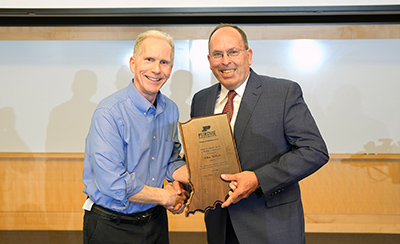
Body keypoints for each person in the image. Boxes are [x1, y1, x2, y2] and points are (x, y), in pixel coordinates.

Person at [190, 24, 329, 244]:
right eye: (218, 54)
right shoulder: (201, 100)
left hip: (272, 227)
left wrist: (258, 179)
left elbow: (315, 151)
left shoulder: (283, 93)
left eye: (233, 52)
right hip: (221, 227)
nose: (225, 61)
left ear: (248, 55)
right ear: (209, 60)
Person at [82, 30, 189, 244]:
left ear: (170, 69)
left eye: (164, 62)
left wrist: (194, 180)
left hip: (155, 222)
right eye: (149, 59)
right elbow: (112, 182)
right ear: (133, 63)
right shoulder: (109, 112)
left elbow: (170, 160)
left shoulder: (171, 110)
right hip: (111, 226)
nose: (156, 69)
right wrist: (165, 196)